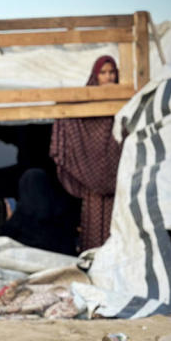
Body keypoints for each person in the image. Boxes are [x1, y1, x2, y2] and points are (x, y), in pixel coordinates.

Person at [50, 55, 121, 251]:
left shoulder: (127, 101)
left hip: (121, 187)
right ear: (95, 76)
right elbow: (69, 117)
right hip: (93, 190)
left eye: (112, 72)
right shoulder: (86, 104)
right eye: (103, 73)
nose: (108, 77)